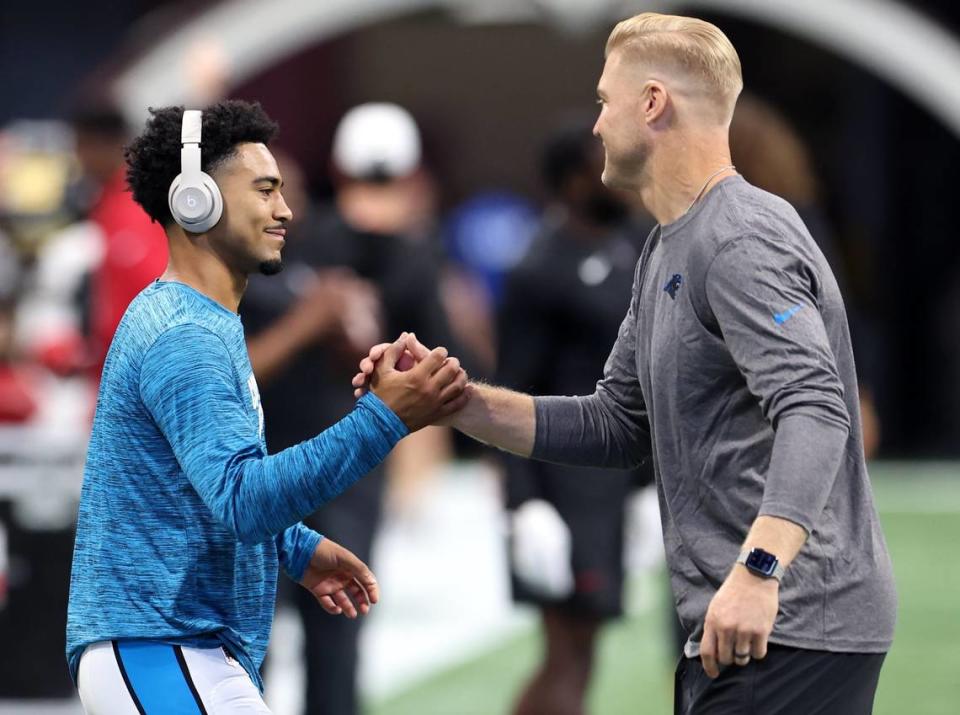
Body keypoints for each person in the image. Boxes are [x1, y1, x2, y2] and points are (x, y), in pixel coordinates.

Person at [355, 13, 896, 714]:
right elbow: (614, 422)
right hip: (743, 623)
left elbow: (818, 407)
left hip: (790, 620)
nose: (596, 125)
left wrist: (760, 569)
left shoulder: (738, 238)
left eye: (607, 101)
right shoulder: (668, 245)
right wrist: (452, 399)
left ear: (652, 104)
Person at [65, 99, 467, 714]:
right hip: (162, 644)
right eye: (265, 190)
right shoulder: (186, 336)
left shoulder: (202, 319)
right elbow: (242, 498)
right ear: (195, 200)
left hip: (177, 647)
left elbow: (198, 491)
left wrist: (296, 548)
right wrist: (387, 417)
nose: (284, 210)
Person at [241, 105, 460, 715]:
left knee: (336, 637)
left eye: (287, 191)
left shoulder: (398, 254)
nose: (281, 207)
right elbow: (223, 372)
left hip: (339, 475)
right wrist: (313, 320)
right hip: (259, 473)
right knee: (243, 639)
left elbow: (445, 363)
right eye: (266, 191)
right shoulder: (245, 271)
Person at [496, 121, 652, 715]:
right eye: (603, 163)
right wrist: (522, 502)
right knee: (566, 649)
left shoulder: (641, 244)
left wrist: (643, 484)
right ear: (572, 180)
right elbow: (510, 389)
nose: (621, 174)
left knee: (583, 651)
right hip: (563, 479)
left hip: (615, 480)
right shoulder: (540, 267)